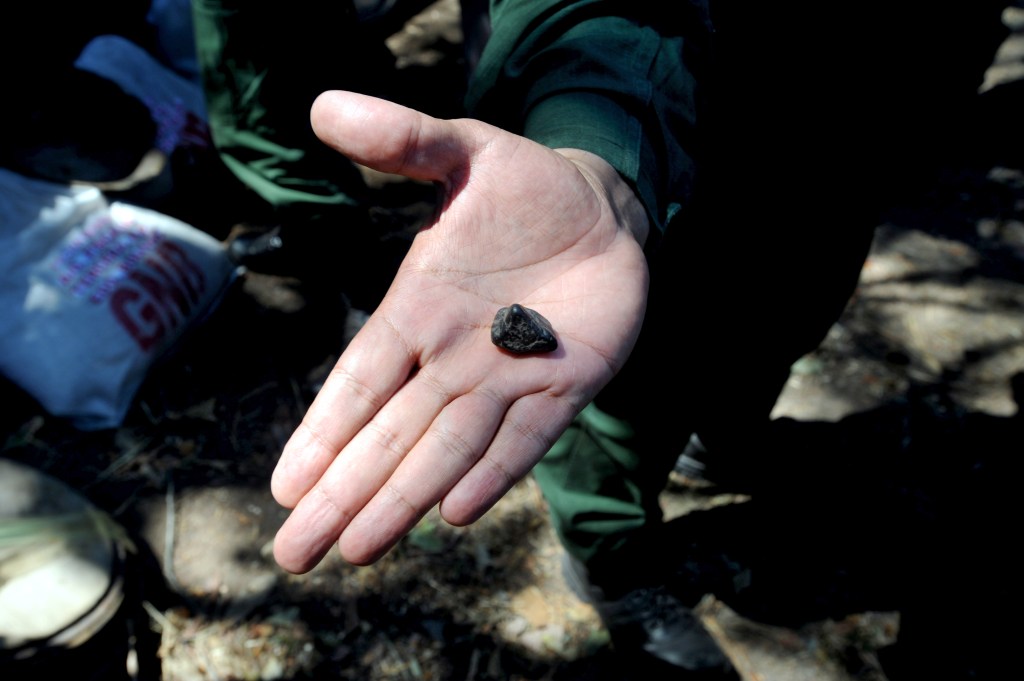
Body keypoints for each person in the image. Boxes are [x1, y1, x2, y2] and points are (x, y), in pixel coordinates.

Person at [190, 1, 1014, 678]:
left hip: (861, 121)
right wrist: (598, 146)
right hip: (664, 109)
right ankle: (611, 559)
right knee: (615, 390)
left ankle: (718, 438)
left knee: (784, 307)